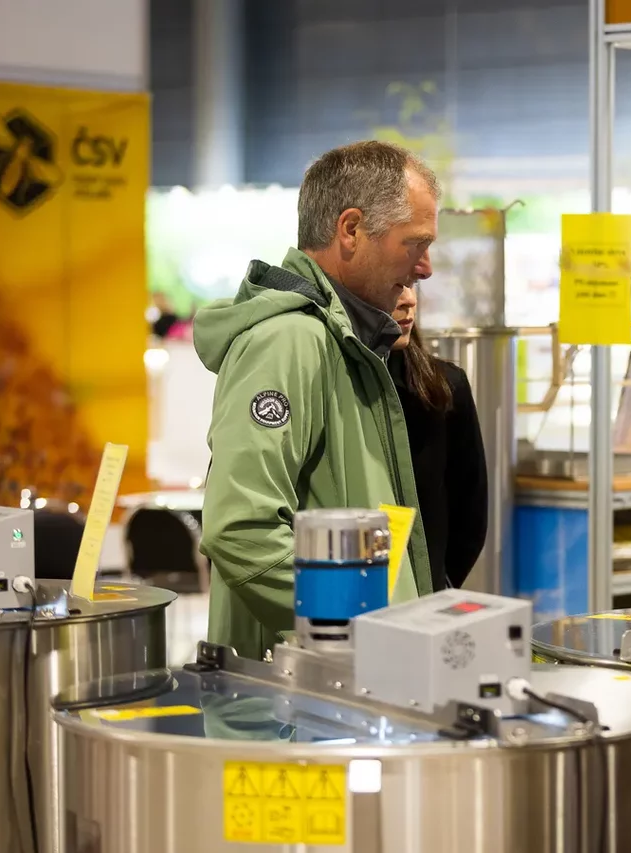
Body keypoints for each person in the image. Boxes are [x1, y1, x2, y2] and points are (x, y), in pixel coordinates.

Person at [195, 141, 439, 660]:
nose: (425, 268)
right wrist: (358, 623)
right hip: (305, 686)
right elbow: (240, 528)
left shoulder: (346, 344)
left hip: (347, 677)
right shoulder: (289, 342)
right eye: (414, 244)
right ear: (351, 230)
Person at [386, 282, 489, 590]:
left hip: (424, 593)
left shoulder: (443, 387)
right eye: (396, 285)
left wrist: (436, 584)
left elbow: (470, 509)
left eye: (411, 285)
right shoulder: (333, 383)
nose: (409, 299)